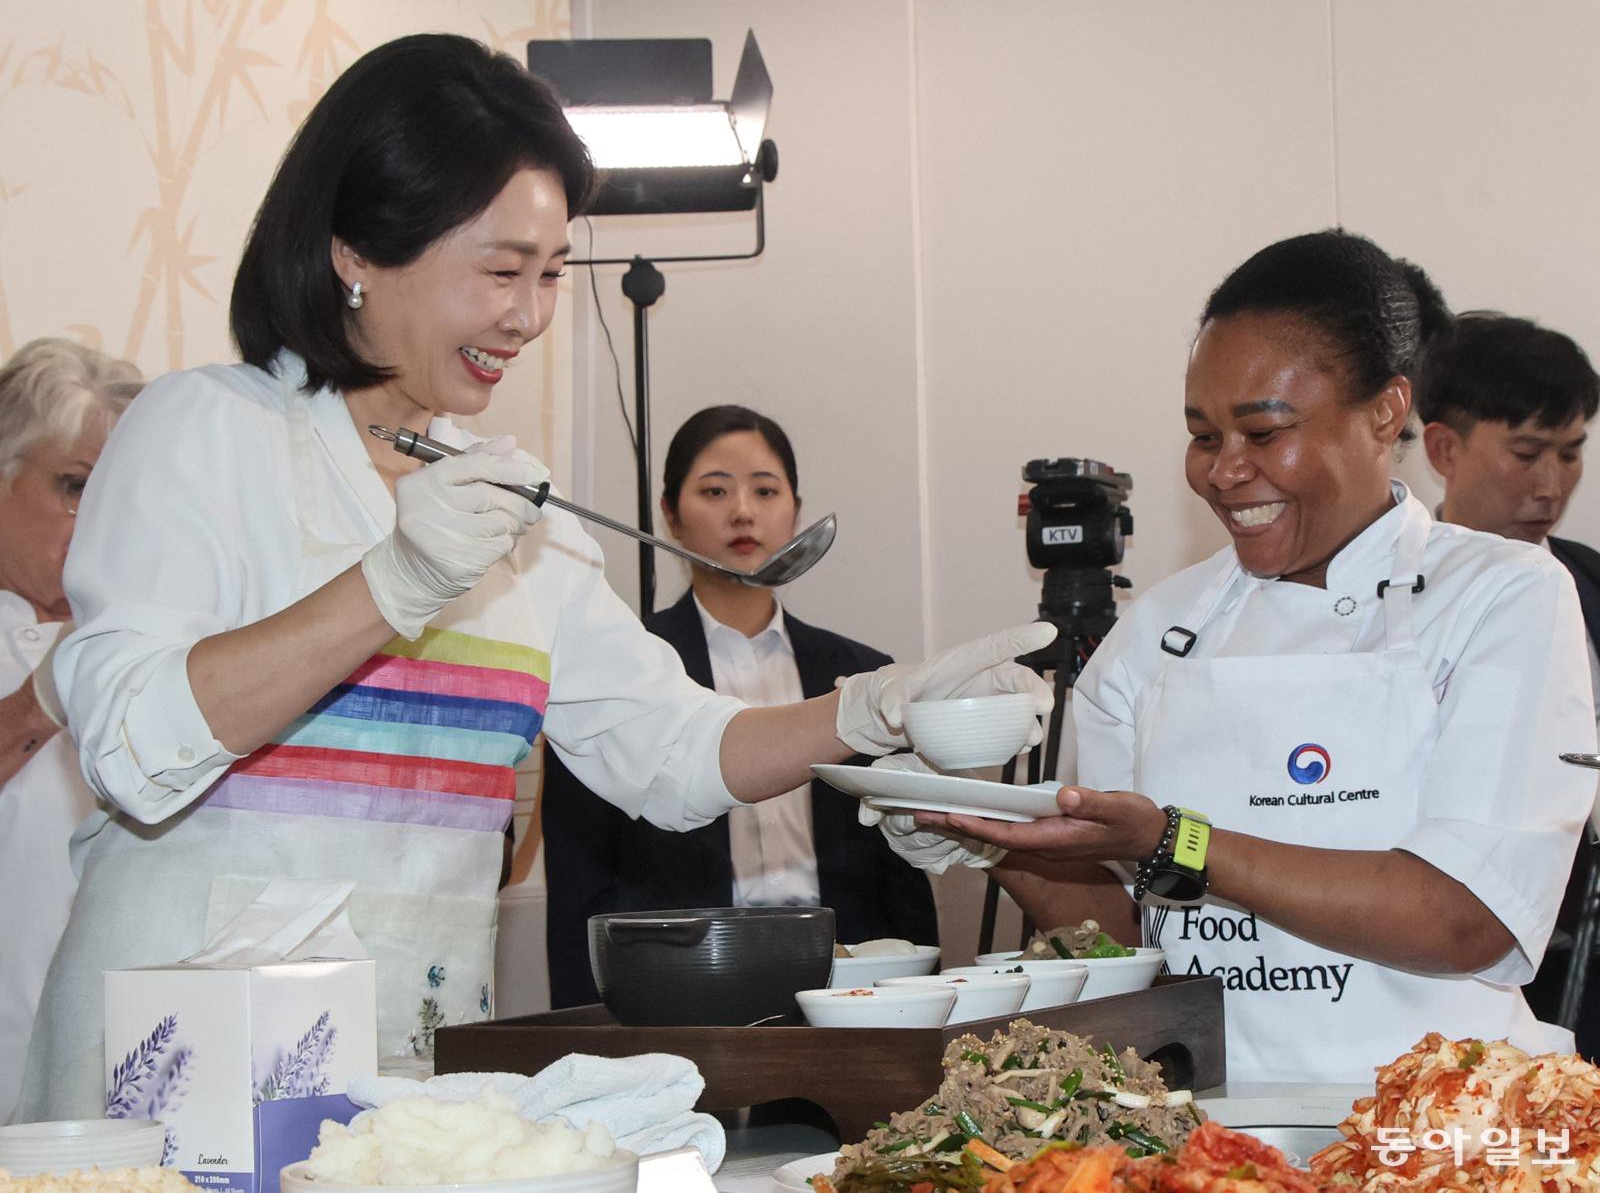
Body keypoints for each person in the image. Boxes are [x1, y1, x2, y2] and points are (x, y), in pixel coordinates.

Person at [17, 34, 1052, 1120]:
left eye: (552, 273)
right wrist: (390, 584)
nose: (530, 314)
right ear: (357, 249)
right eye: (502, 270)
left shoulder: (511, 505)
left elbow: (675, 751)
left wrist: (873, 709)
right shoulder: (207, 431)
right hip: (173, 1081)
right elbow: (131, 744)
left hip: (401, 1084)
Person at [883, 230, 1598, 1085]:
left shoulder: (1501, 594)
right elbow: (1132, 936)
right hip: (1214, 1119)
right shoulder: (1158, 632)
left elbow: (1466, 919)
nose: (1224, 472)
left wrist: (1180, 843)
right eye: (1203, 436)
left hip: (1442, 1117)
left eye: (1263, 432)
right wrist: (990, 838)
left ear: (1385, 413)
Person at [543, 405, 938, 1007]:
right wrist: (587, 1018)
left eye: (765, 490)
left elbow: (901, 869)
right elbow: (580, 871)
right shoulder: (617, 669)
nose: (743, 512)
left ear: (796, 511)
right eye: (715, 490)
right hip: (684, 987)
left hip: (851, 985)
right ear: (670, 514)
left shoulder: (864, 675)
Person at [1416, 310, 1600, 1048]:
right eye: (1527, 453)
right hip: (1441, 969)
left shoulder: (1591, 584)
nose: (1551, 485)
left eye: (1571, 453)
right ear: (1443, 447)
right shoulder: (1387, 600)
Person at [0, 339, 143, 1123]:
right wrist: (40, 702)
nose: (102, 521)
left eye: (121, 493)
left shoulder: (160, 635)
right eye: (76, 487)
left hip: (131, 1069)